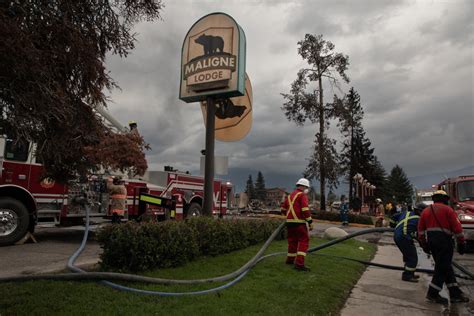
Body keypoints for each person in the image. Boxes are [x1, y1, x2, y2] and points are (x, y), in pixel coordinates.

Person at [418, 190, 469, 304]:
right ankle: (432, 293)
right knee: (441, 269)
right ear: (445, 199)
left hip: (432, 242)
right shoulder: (448, 210)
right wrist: (461, 244)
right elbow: (458, 230)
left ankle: (455, 294)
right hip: (444, 242)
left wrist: (424, 244)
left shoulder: (426, 211)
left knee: (446, 267)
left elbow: (420, 231)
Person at [281, 178, 313, 271]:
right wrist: (310, 222)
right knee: (304, 241)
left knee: (292, 241)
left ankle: (290, 260)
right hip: (299, 223)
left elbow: (282, 210)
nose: (307, 189)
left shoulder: (289, 196)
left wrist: (289, 215)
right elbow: (305, 210)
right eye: (306, 187)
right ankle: (299, 264)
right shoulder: (302, 195)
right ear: (303, 186)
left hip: (289, 223)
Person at [390, 203, 425, 282]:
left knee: (407, 255)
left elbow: (394, 217)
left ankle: (409, 273)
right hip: (404, 238)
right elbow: (420, 234)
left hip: (398, 236)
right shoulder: (419, 219)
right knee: (412, 256)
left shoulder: (405, 213)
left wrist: (393, 225)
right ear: (420, 211)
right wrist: (423, 244)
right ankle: (407, 276)